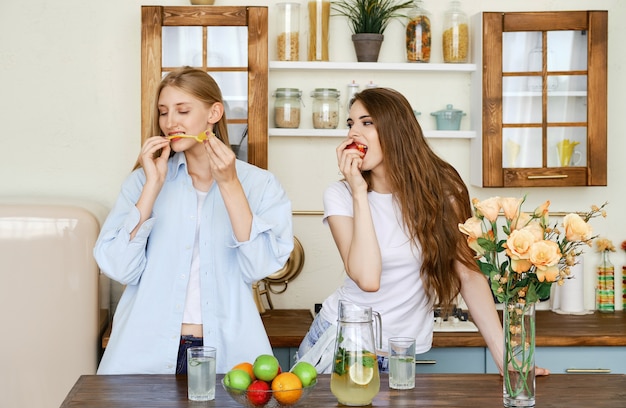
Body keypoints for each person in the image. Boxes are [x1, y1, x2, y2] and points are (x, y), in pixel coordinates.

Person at [296, 87, 548, 376]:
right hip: (342, 345)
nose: (354, 133)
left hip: (401, 352)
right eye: (350, 124)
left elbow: (468, 273)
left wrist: (505, 360)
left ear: (397, 129)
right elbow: (367, 278)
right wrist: (359, 192)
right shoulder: (341, 195)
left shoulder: (443, 192)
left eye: (367, 123)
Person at [94, 67, 293, 375]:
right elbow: (118, 267)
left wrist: (229, 184)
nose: (170, 122)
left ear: (214, 112)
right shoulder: (142, 183)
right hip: (143, 351)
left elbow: (260, 266)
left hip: (228, 355)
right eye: (163, 112)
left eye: (182, 110)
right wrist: (152, 188)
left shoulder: (260, 185)